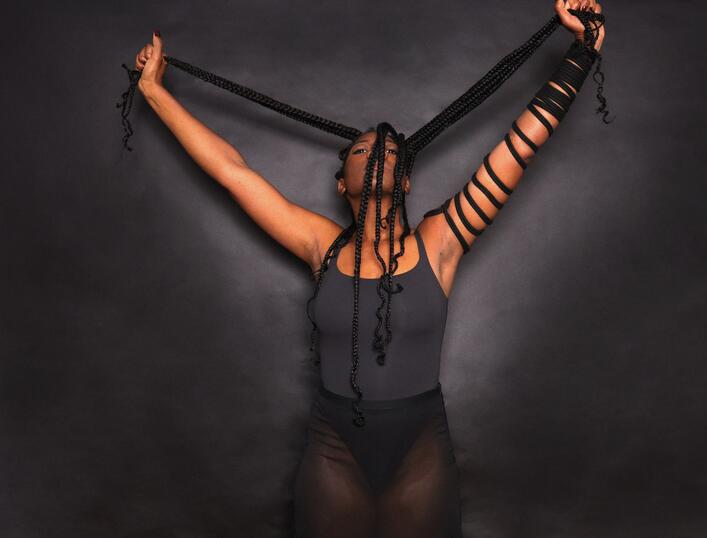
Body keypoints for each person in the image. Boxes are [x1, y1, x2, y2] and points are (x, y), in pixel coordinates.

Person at [130, 1, 606, 536]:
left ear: (405, 181)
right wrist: (153, 92)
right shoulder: (320, 244)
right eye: (360, 149)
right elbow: (232, 171)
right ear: (342, 185)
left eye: (387, 148)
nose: (375, 150)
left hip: (420, 446)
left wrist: (584, 47)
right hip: (334, 449)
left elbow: (518, 147)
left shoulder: (441, 239)